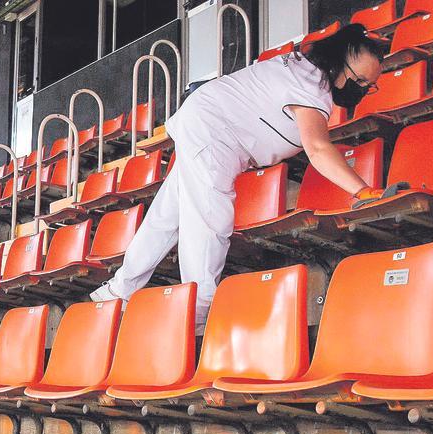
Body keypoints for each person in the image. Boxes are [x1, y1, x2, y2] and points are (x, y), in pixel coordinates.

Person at [91, 24, 399, 329]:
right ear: (338, 62)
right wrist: (362, 191)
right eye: (358, 80)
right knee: (210, 218)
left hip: (209, 124)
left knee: (167, 215)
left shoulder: (306, 72)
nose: (361, 88)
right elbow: (317, 148)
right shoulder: (310, 86)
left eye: (368, 85)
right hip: (215, 131)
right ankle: (200, 311)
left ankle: (118, 291)